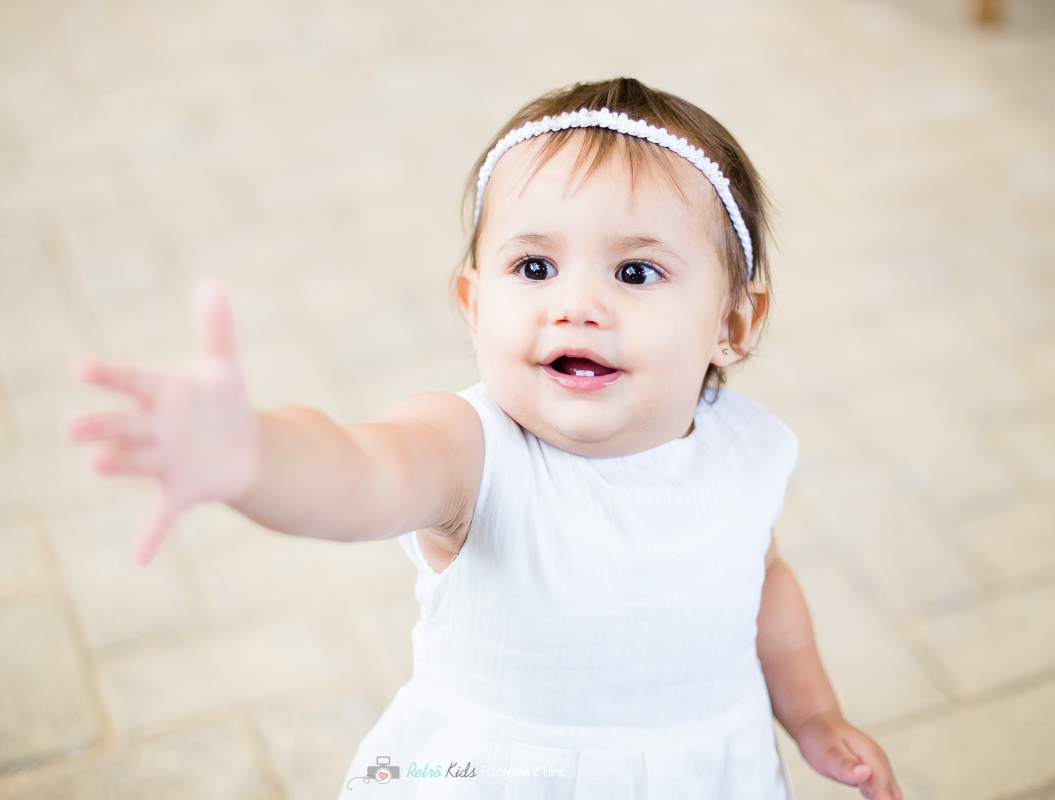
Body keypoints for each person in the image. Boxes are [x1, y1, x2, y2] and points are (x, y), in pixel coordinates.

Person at [62, 77, 902, 800]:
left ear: (733, 320)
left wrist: (813, 712)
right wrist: (253, 454)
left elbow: (764, 583)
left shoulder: (744, 452)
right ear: (472, 303)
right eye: (534, 268)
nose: (575, 305)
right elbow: (362, 472)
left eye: (635, 271)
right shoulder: (473, 451)